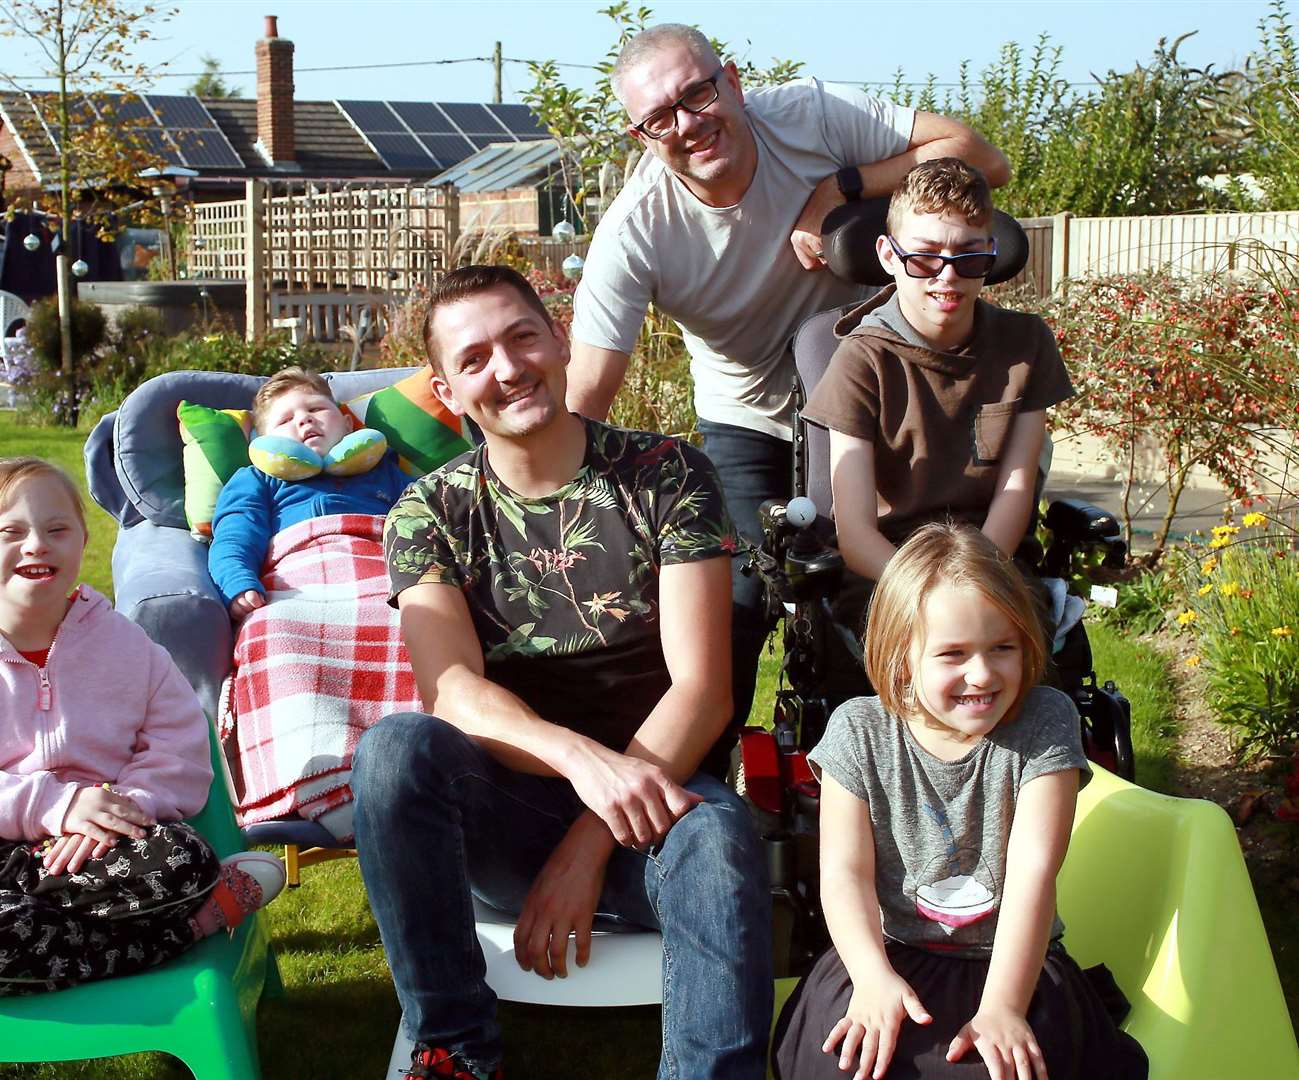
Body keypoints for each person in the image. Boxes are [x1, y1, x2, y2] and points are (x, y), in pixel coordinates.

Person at [352, 265, 770, 1080]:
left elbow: (703, 690)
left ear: (560, 339)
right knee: (396, 750)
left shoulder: (665, 473)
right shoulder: (428, 511)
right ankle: (452, 1050)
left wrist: (589, 841)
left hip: (659, 805)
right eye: (474, 360)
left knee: (719, 835)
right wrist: (581, 762)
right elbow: (451, 692)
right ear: (447, 389)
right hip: (501, 811)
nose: (506, 369)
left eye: (521, 338)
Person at [567, 23, 1012, 736]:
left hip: (877, 406)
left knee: (894, 581)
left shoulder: (807, 117)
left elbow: (981, 159)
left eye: (697, 93)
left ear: (733, 82)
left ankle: (918, 754)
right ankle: (698, 801)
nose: (687, 124)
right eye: (659, 118)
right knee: (732, 607)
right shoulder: (635, 230)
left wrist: (837, 191)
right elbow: (584, 395)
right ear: (640, 136)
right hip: (748, 421)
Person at [0, 457, 285, 1002]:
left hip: (108, 852)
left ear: (80, 542)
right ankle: (194, 924)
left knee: (184, 863)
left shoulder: (129, 647)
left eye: (56, 530)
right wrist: (58, 804)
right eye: (11, 532)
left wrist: (118, 808)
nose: (36, 545)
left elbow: (182, 750)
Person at [771, 523, 1148, 1080]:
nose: (982, 673)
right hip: (885, 953)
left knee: (992, 1068)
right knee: (854, 1061)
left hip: (1011, 964)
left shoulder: (1045, 724)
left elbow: (1032, 876)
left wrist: (1003, 1007)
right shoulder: (859, 730)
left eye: (1003, 648)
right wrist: (872, 979)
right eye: (953, 654)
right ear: (902, 658)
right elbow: (844, 875)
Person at [804, 159, 1072, 630]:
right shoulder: (860, 358)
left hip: (994, 560)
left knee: (1007, 654)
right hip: (888, 570)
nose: (947, 277)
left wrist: (974, 583)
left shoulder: (1027, 345)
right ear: (889, 255)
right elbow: (855, 531)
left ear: (990, 255)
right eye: (925, 257)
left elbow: (1016, 488)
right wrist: (930, 596)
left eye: (968, 258)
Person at [208, 366, 412, 622]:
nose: (305, 419)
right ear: (262, 441)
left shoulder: (385, 471)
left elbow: (429, 515)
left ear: (348, 424)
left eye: (316, 409)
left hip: (385, 579)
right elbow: (235, 534)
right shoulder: (256, 479)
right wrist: (237, 580)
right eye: (284, 420)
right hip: (296, 589)